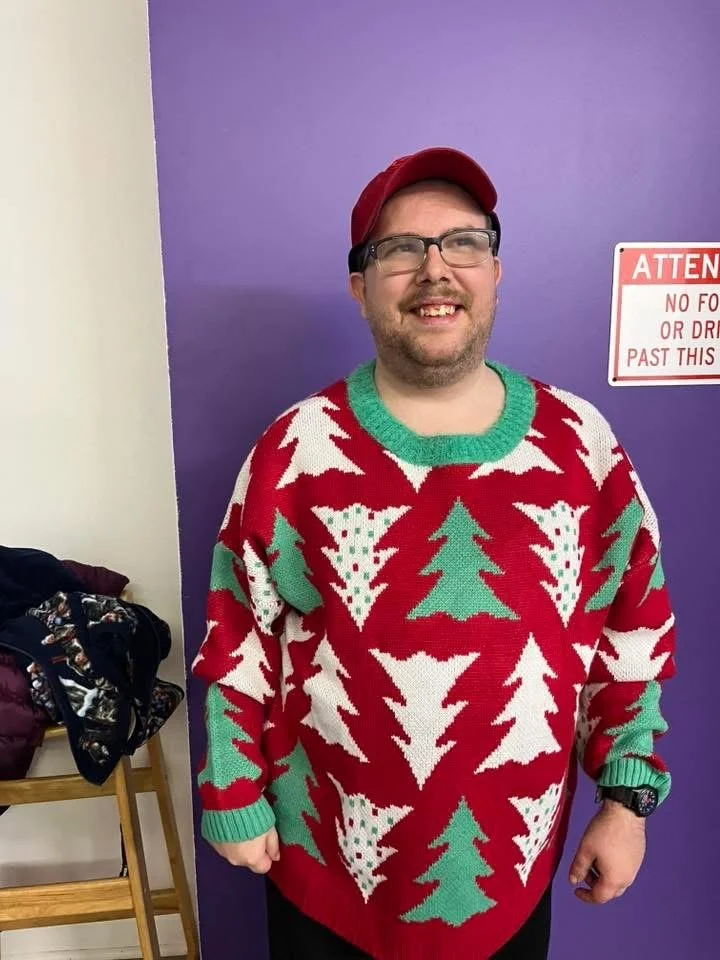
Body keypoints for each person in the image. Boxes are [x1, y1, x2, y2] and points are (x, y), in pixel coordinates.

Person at [192, 147, 676, 960]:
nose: (435, 270)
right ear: (360, 287)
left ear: (495, 269)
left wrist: (625, 803)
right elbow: (239, 629)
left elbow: (631, 635)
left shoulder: (582, 445)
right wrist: (232, 790)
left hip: (508, 885)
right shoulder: (296, 448)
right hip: (325, 877)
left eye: (463, 243)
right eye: (400, 251)